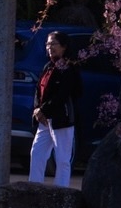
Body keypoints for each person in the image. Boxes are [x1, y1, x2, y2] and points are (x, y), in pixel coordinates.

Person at [29, 30, 84, 187]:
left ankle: (61, 192)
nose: (49, 47)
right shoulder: (48, 66)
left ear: (64, 47)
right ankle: (34, 187)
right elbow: (38, 89)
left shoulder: (69, 68)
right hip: (44, 119)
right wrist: (37, 109)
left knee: (62, 158)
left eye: (53, 44)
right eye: (47, 44)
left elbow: (63, 94)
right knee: (37, 153)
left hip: (62, 118)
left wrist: (43, 110)